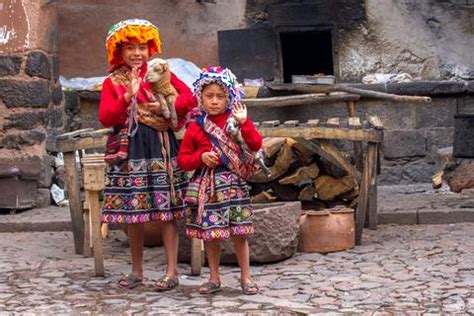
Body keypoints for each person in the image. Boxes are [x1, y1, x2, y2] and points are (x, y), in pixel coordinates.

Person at [98, 19, 197, 291]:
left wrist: (165, 104)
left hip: (159, 145)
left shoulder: (160, 72)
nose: (137, 53)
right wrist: (126, 97)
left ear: (150, 49)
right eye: (130, 48)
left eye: (142, 47)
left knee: (166, 210)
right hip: (129, 149)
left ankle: (171, 271)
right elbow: (106, 116)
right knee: (134, 212)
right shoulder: (112, 82)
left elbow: (189, 99)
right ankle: (137, 271)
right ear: (119, 51)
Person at [177, 66, 262, 295]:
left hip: (233, 185)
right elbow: (183, 160)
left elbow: (255, 145)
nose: (214, 101)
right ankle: (214, 278)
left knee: (239, 233)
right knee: (211, 234)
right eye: (209, 96)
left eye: (220, 96)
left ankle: (246, 277)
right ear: (200, 97)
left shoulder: (235, 121)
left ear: (229, 98)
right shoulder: (195, 126)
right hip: (209, 187)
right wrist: (200, 157)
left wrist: (245, 123)